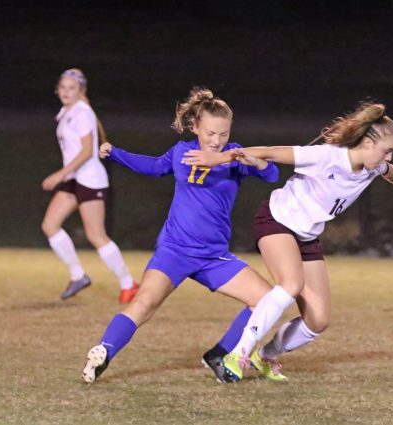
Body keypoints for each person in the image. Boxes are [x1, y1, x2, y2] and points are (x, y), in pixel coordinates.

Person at [182, 102, 393, 381]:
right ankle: (237, 355)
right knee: (290, 285)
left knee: (318, 320)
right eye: (387, 150)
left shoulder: (373, 167)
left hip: (306, 237)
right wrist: (218, 159)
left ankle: (264, 356)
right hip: (276, 221)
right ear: (369, 141)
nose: (389, 156)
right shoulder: (327, 157)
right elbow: (269, 152)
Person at [81, 87, 281, 384]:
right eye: (211, 133)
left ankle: (220, 353)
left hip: (213, 256)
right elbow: (153, 167)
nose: (217, 141)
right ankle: (103, 352)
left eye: (223, 134)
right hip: (175, 250)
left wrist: (257, 162)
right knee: (145, 302)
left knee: (267, 300)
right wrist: (116, 153)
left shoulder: (234, 155)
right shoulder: (180, 153)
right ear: (196, 127)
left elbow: (273, 175)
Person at [41, 68, 138, 303]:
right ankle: (78, 275)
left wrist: (59, 175)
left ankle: (128, 283)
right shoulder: (67, 111)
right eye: (63, 87)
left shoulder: (82, 113)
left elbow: (87, 151)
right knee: (50, 225)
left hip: (89, 178)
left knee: (96, 235)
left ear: (81, 91)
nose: (66, 92)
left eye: (71, 88)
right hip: (74, 178)